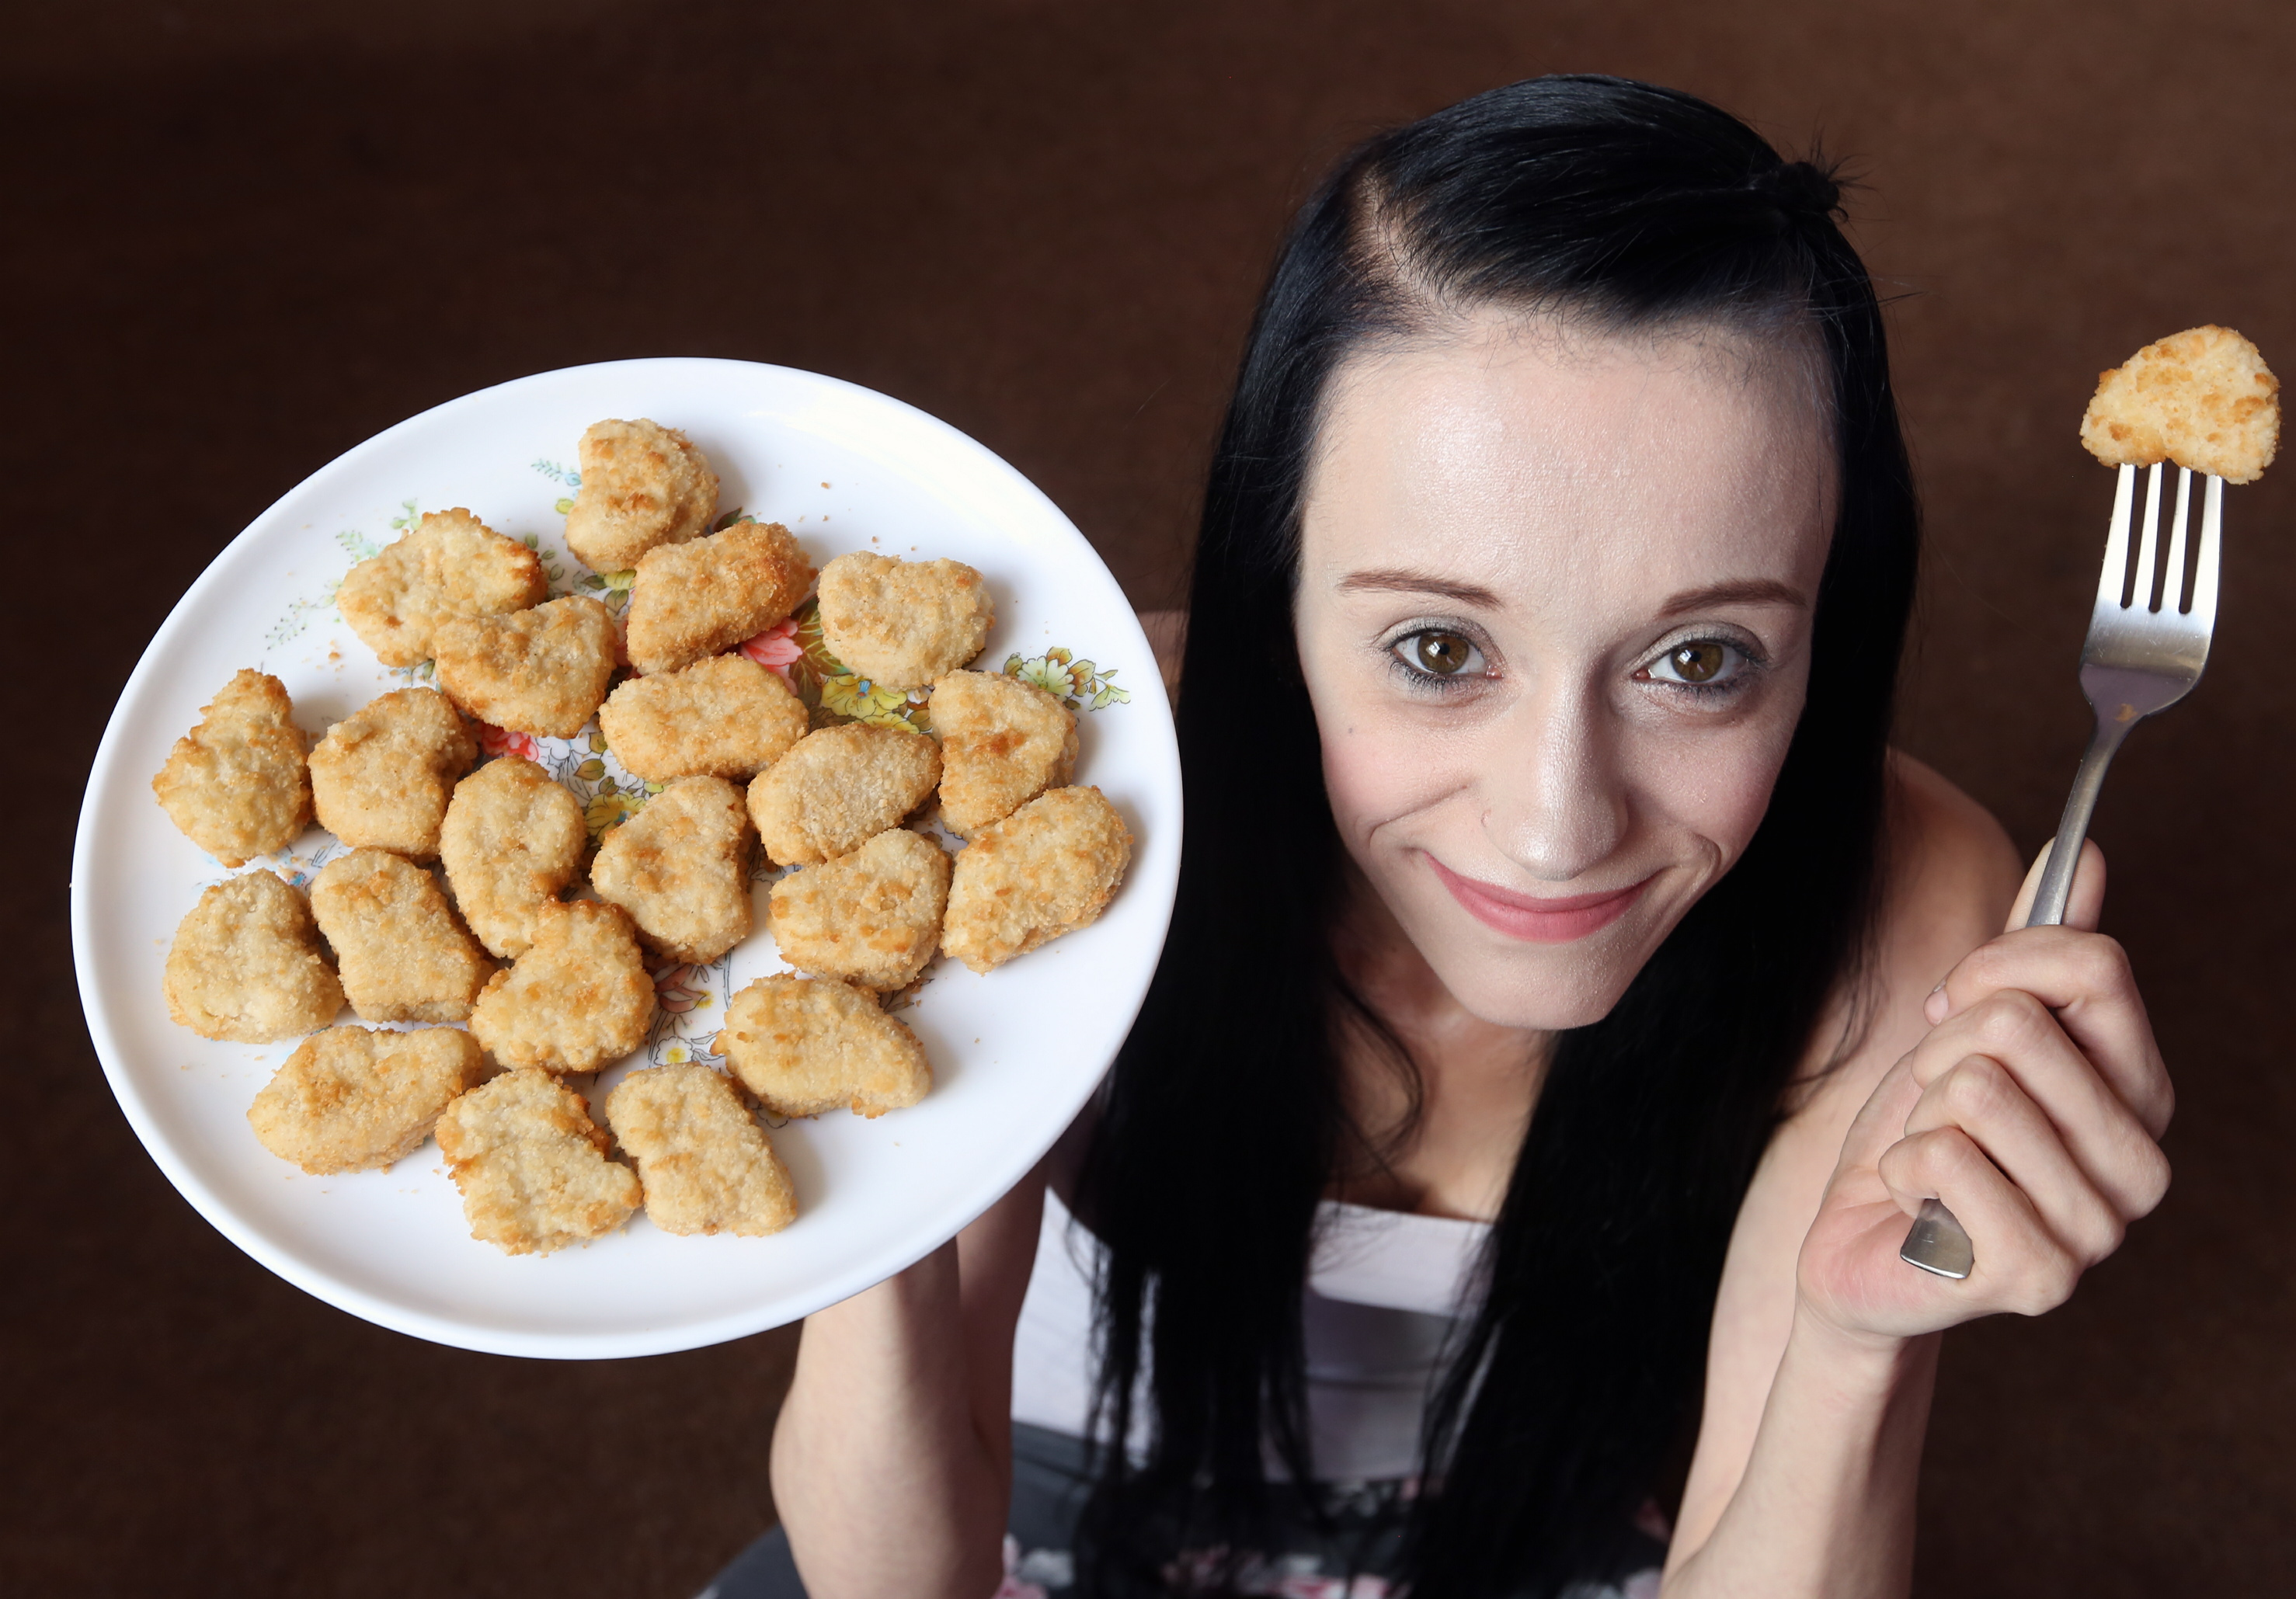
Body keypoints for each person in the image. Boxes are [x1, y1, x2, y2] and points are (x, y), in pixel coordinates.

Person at [707, 74, 2172, 1599]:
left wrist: (1856, 1347)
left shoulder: (1917, 912)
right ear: (1275, 586)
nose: (1554, 830)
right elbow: (897, 1584)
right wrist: (881, 1174)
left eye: (1702, 661)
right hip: (1036, 1493)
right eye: (1435, 651)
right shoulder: (1051, 799)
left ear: (1825, 626)